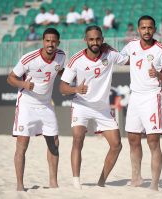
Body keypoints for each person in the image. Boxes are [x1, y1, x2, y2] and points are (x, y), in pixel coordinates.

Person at [59, 25, 129, 189]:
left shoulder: (110, 54)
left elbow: (129, 60)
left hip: (102, 108)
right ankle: (76, 181)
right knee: (78, 138)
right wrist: (76, 89)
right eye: (91, 39)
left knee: (116, 145)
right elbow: (62, 88)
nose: (94, 42)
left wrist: (113, 48)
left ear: (102, 40)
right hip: (81, 104)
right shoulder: (76, 59)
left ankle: (101, 182)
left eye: (98, 39)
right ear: (85, 40)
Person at [120, 15, 162, 190]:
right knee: (133, 140)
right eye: (143, 28)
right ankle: (136, 178)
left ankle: (154, 184)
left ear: (154, 28)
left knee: (153, 142)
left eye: (150, 27)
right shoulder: (131, 46)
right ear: (138, 29)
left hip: (152, 97)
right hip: (135, 96)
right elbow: (119, 59)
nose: (146, 31)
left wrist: (159, 75)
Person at [7, 28, 66, 191]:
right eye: (47, 40)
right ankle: (20, 185)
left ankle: (53, 183)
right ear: (43, 41)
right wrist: (23, 84)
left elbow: (59, 71)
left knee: (54, 143)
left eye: (53, 41)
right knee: (22, 144)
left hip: (46, 105)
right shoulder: (29, 58)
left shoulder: (61, 56)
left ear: (58, 43)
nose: (50, 44)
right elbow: (10, 78)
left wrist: (70, 79)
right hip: (27, 104)